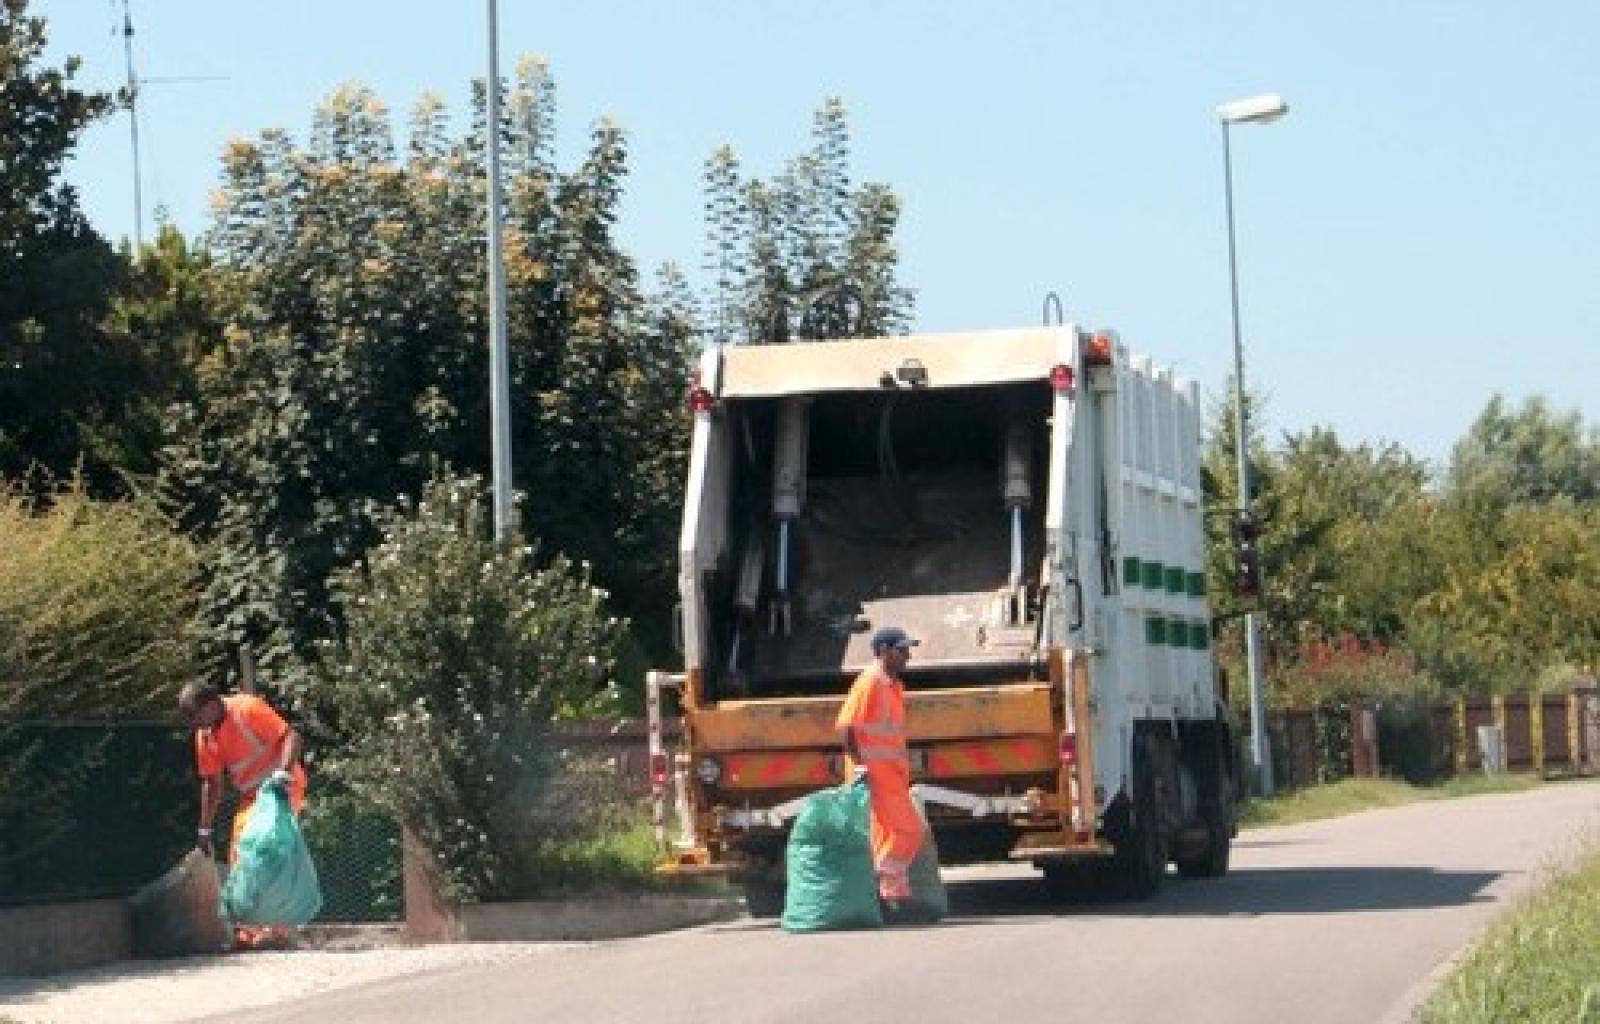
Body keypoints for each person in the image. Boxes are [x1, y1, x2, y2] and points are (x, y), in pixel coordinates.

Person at [178, 679, 308, 949]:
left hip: (283, 787)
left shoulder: (247, 709)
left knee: (267, 848)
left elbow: (291, 736)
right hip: (252, 796)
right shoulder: (206, 737)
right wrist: (204, 830)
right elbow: (212, 784)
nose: (195, 726)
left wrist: (282, 773)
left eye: (196, 716)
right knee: (240, 855)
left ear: (212, 704)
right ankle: (249, 934)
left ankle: (280, 932)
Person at [835, 626, 924, 908]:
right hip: (875, 775)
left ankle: (892, 895)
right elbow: (846, 727)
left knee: (888, 833)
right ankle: (886, 881)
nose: (907, 656)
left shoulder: (891, 685)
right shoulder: (871, 682)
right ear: (883, 652)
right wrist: (860, 766)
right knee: (909, 830)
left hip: (889, 775)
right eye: (902, 650)